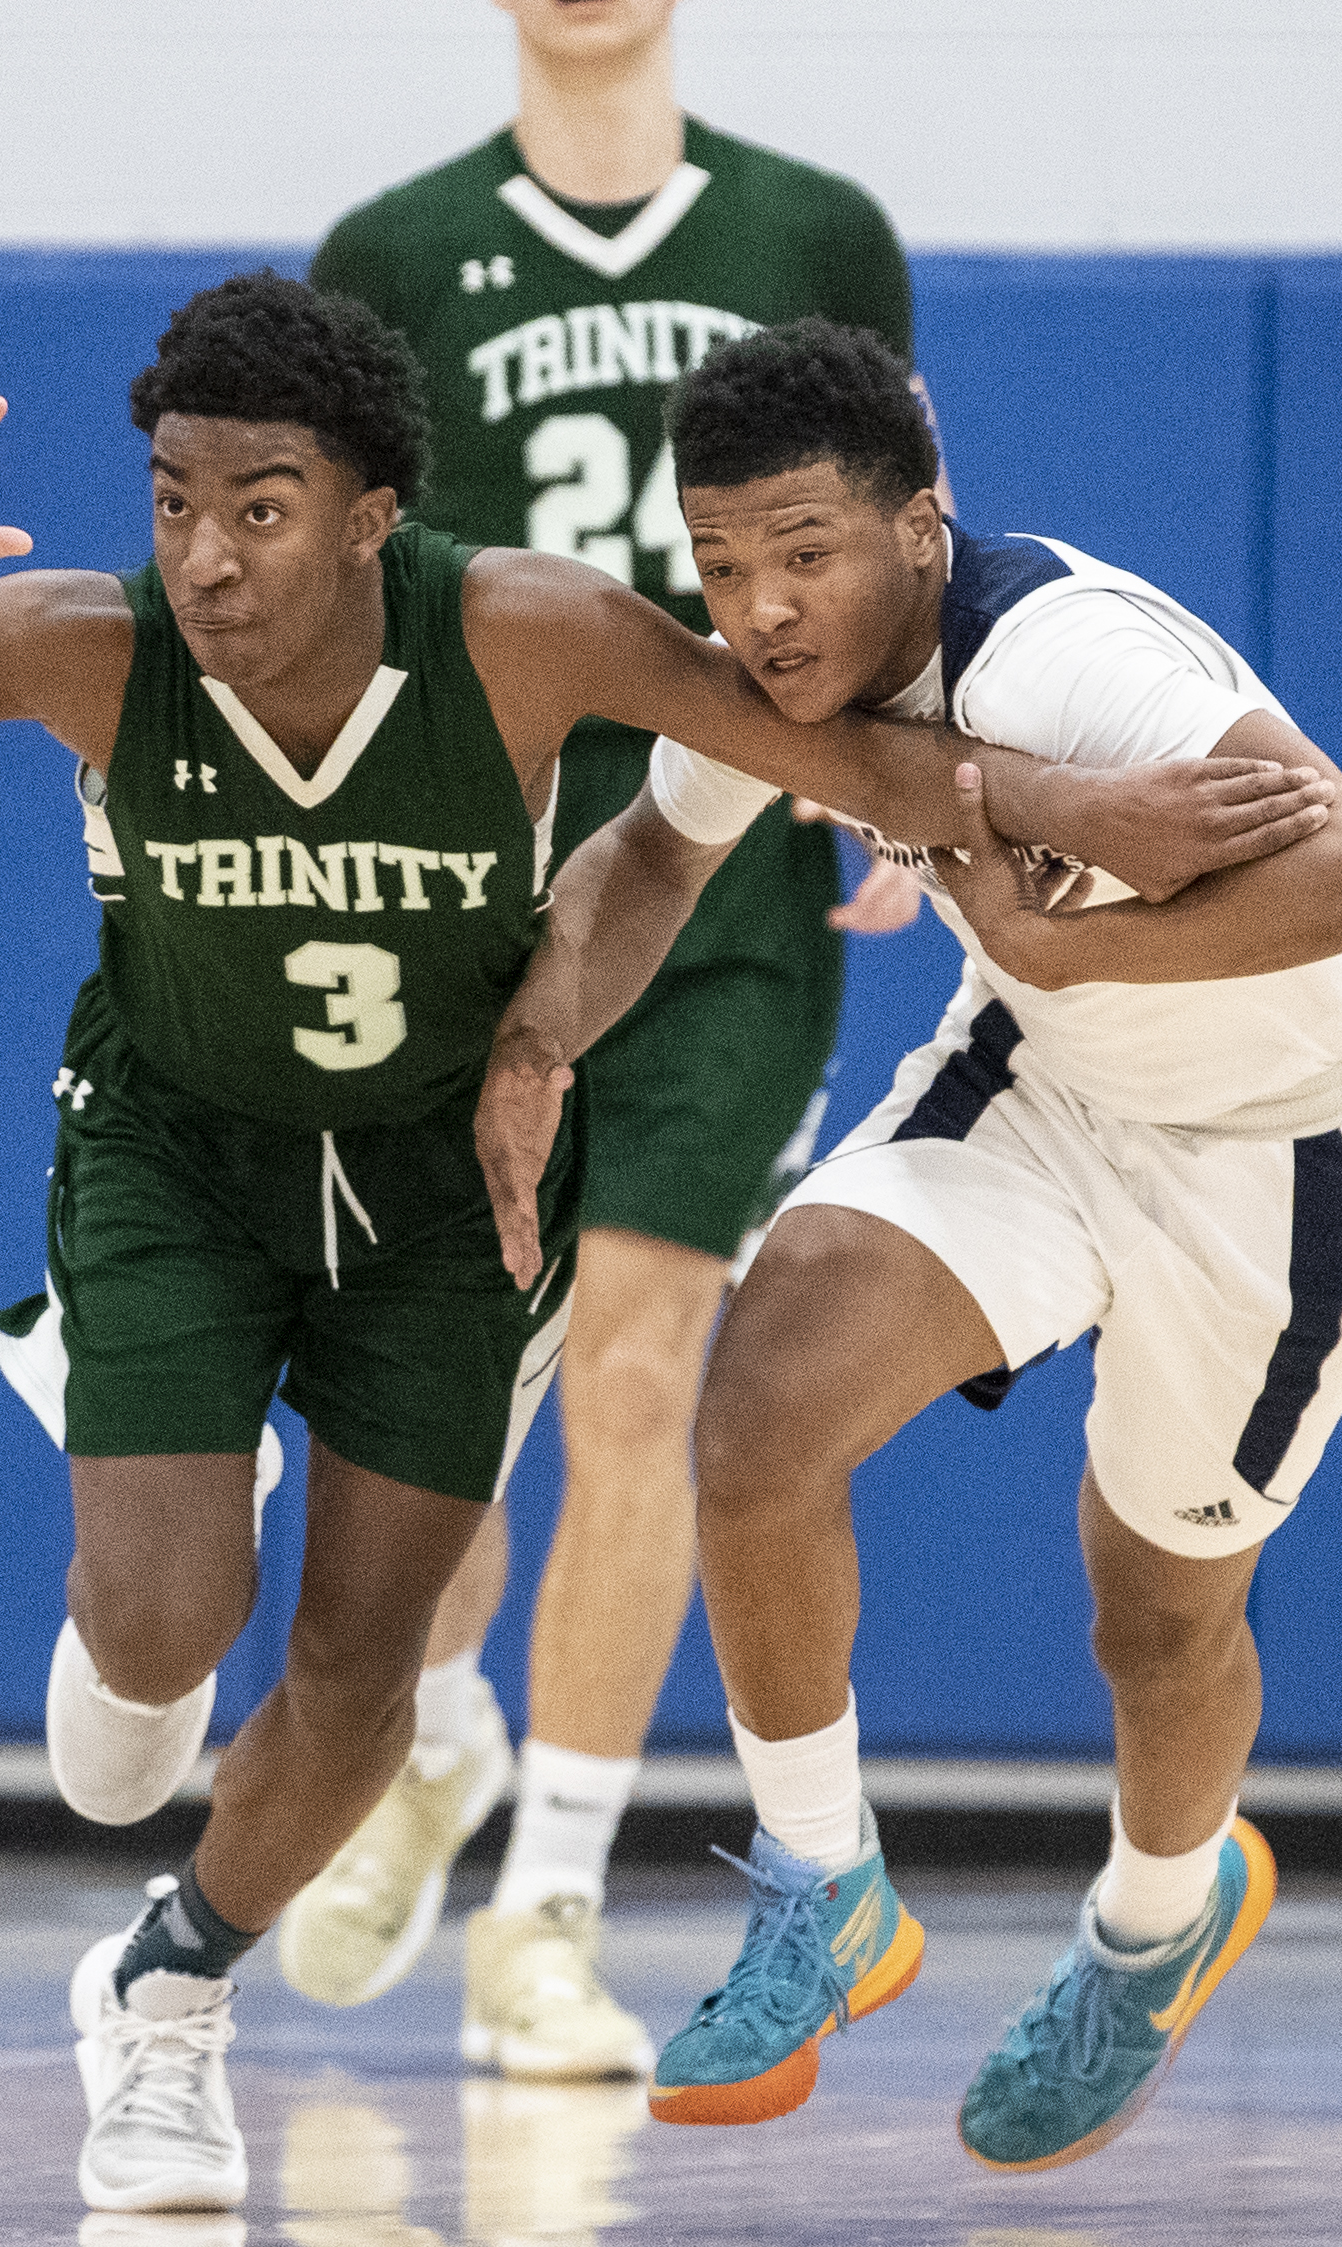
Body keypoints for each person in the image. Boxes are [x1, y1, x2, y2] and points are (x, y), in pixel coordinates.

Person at [0, 275, 1329, 2213]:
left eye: (258, 504)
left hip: (450, 1190)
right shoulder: (82, 649)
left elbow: (827, 764)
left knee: (365, 1668)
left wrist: (1076, 805)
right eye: (174, 497)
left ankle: (168, 1992)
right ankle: (161, 1554)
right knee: (156, 1644)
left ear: (370, 512)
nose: (203, 551)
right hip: (181, 1157)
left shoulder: (517, 629)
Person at [473, 317, 1342, 2171]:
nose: (761, 609)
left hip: (1278, 1147)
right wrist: (533, 1042)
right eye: (724, 562)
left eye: (804, 553)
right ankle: (825, 1889)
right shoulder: (792, 687)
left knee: (1155, 1619)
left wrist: (1081, 943)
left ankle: (1155, 1928)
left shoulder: (1075, 661)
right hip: (1038, 1091)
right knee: (756, 1409)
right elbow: (654, 859)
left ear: (923, 521)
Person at [286, 0, 939, 2078]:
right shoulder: (384, 253)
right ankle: (441, 1733)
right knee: (453, 1374)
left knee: (650, 1366)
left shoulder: (816, 226)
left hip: (729, 897)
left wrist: (911, 766)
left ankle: (547, 1906)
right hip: (473, 904)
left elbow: (906, 531)